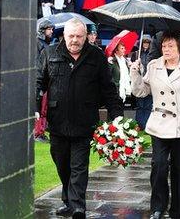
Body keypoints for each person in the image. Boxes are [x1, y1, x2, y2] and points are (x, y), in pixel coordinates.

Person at [36, 18, 123, 219]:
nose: (75, 40)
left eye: (79, 36)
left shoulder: (96, 56)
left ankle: (78, 206)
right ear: (64, 35)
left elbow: (108, 89)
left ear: (86, 37)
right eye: (71, 36)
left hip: (84, 122)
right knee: (61, 163)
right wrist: (34, 108)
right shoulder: (50, 53)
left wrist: (117, 116)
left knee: (79, 166)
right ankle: (68, 200)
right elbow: (39, 81)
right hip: (58, 122)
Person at [130, 31, 180, 219]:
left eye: (171, 46)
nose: (166, 49)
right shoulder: (154, 66)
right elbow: (141, 91)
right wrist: (135, 72)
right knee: (159, 166)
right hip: (159, 124)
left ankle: (178, 211)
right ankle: (158, 206)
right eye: (164, 46)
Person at [131, 35, 153, 129]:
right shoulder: (136, 54)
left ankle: (146, 125)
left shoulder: (152, 54)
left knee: (148, 105)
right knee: (140, 105)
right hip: (139, 81)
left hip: (149, 82)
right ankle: (139, 125)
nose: (145, 44)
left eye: (147, 42)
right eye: (144, 42)